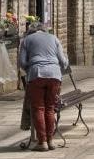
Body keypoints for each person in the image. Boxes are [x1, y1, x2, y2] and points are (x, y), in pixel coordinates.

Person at [17, 23, 70, 151]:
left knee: (38, 108)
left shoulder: (26, 40)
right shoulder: (54, 38)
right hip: (54, 75)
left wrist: (31, 68)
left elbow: (22, 62)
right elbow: (63, 62)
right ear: (44, 30)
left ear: (31, 31)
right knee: (50, 109)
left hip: (36, 75)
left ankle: (42, 142)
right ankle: (51, 141)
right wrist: (57, 70)